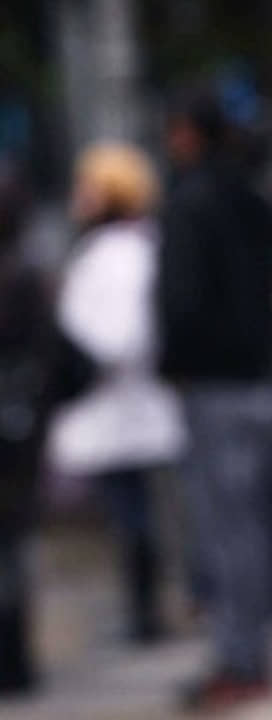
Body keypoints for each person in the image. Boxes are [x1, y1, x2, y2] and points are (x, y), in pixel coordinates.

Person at [157, 89, 272, 711]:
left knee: (225, 533)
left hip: (212, 386)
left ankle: (240, 657)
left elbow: (179, 303)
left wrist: (172, 359)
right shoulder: (251, 197)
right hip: (258, 378)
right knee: (250, 527)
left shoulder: (191, 203)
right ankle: (250, 651)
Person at [46, 144, 185, 646]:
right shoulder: (122, 246)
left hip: (121, 402)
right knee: (132, 512)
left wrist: (85, 364)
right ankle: (144, 609)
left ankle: (145, 613)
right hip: (121, 404)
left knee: (134, 516)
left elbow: (122, 334)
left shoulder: (122, 253)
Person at [0, 162, 49, 696]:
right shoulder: (31, 279)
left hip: (16, 431)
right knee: (14, 549)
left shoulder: (25, 280)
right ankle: (16, 656)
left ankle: (12, 656)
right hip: (22, 431)